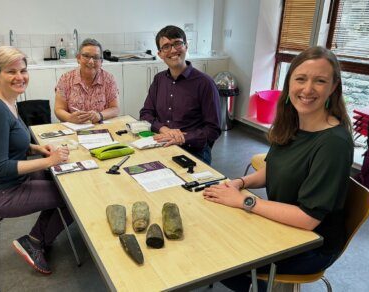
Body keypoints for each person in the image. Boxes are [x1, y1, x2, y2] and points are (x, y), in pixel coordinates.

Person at [203, 46, 353, 291]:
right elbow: (273, 169)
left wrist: (245, 202)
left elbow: (308, 219)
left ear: (333, 87)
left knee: (219, 257)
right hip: (283, 225)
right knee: (213, 231)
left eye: (320, 81)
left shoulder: (333, 143)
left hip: (310, 244)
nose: (307, 89)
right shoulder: (293, 123)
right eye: (301, 79)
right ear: (289, 83)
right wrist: (239, 184)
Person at [0, 46, 72, 275]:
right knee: (72, 199)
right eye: (11, 71)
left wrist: (38, 147)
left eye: (23, 70)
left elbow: (9, 141)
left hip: (12, 181)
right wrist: (49, 161)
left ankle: (37, 238)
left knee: (64, 180)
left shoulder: (8, 100)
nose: (20, 77)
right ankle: (36, 241)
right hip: (3, 191)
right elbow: (1, 167)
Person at [139, 25, 221, 165]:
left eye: (177, 43)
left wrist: (183, 137)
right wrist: (164, 130)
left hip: (194, 151)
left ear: (186, 46)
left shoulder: (205, 83)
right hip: (162, 144)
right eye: (166, 46)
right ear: (160, 54)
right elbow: (146, 114)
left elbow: (213, 129)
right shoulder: (159, 79)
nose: (172, 50)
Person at [55, 38, 119, 124]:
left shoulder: (109, 79)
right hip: (74, 127)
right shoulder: (66, 79)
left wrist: (100, 115)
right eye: (86, 56)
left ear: (101, 62)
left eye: (96, 57)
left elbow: (115, 109)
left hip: (101, 128)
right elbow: (59, 109)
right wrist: (70, 118)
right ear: (78, 58)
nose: (91, 61)